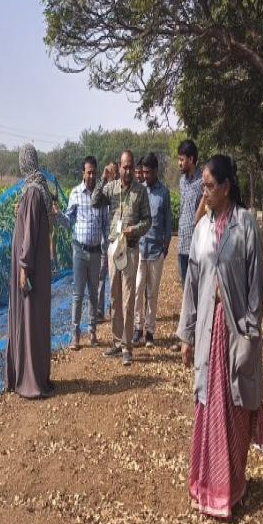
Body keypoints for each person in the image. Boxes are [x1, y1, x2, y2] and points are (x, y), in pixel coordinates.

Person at [177, 154, 263, 519]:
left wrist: (249, 330)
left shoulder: (246, 226)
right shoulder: (200, 230)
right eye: (203, 185)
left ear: (227, 188)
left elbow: (257, 286)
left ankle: (232, 484)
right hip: (207, 333)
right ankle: (208, 485)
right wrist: (186, 335)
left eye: (210, 186)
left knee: (234, 407)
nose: (205, 191)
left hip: (235, 331)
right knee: (208, 404)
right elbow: (192, 287)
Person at [92, 150, 151, 366]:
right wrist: (103, 178)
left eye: (130, 167)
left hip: (131, 249)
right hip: (113, 249)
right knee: (115, 298)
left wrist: (133, 229)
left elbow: (148, 221)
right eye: (124, 167)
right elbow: (94, 201)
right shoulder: (112, 187)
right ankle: (116, 343)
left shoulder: (140, 192)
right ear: (119, 166)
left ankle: (127, 347)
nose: (127, 171)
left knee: (128, 299)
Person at [4, 144, 54, 398]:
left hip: (30, 268)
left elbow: (30, 234)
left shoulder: (33, 192)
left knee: (29, 319)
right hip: (35, 265)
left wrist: (24, 267)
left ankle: (31, 381)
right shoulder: (36, 190)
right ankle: (33, 375)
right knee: (35, 320)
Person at [55, 155, 109, 349]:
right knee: (78, 295)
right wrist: (57, 215)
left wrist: (106, 252)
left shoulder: (101, 196)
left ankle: (92, 332)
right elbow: (69, 221)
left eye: (94, 172)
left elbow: (105, 226)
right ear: (83, 173)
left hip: (96, 253)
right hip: (79, 250)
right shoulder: (76, 193)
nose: (92, 176)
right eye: (89, 172)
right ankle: (75, 334)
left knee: (94, 294)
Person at [133, 152, 171, 348]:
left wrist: (165, 248)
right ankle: (137, 328)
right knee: (138, 289)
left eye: (148, 172)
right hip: (140, 249)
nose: (144, 175)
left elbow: (167, 222)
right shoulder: (139, 191)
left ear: (155, 171)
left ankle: (150, 332)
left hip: (156, 251)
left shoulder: (163, 193)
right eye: (143, 172)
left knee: (152, 293)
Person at [171, 139, 206, 352]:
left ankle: (200, 338)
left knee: (200, 292)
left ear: (192, 159)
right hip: (182, 245)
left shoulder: (203, 181)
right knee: (187, 294)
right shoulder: (183, 182)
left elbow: (203, 211)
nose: (179, 163)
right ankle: (188, 337)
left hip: (198, 245)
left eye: (182, 159)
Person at [95, 162, 117, 323]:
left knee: (115, 277)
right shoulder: (104, 191)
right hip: (104, 243)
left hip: (117, 243)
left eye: (112, 171)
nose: (110, 173)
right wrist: (103, 178)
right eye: (108, 171)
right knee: (102, 277)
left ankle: (113, 309)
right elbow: (94, 199)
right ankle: (99, 311)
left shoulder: (120, 190)